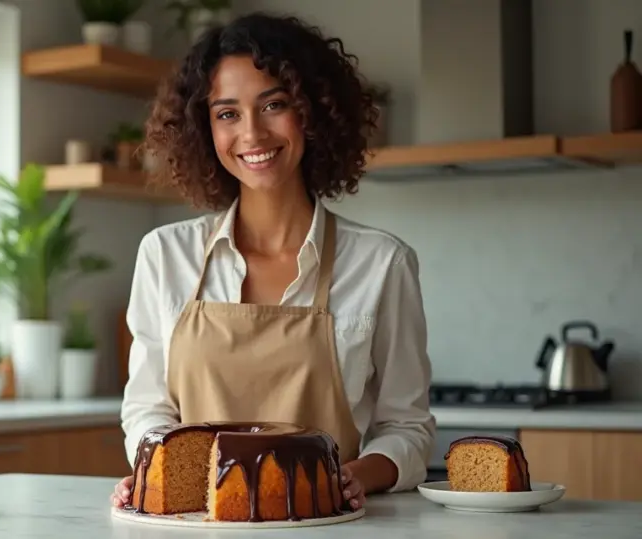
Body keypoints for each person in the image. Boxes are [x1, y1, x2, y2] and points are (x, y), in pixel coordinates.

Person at [111, 12, 436, 512]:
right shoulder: (164, 255)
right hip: (199, 524)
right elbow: (148, 408)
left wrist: (356, 477)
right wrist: (156, 468)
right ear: (204, 129)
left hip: (326, 522)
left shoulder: (382, 263)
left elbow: (407, 428)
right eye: (227, 113)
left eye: (274, 104)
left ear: (313, 112)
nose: (253, 134)